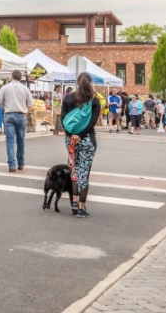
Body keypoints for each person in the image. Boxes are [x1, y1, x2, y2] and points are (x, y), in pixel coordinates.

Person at [62, 72, 102, 219]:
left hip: (70, 140)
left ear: (77, 82)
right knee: (84, 172)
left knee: (74, 170)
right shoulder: (95, 100)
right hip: (87, 140)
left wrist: (71, 135)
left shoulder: (69, 98)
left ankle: (73, 201)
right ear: (90, 82)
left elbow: (63, 120)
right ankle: (81, 207)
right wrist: (81, 135)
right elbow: (92, 122)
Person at [0, 70, 33, 172]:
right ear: (20, 78)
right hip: (21, 115)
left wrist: (6, 105)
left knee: (10, 141)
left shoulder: (5, 87)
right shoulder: (25, 89)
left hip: (9, 114)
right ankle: (21, 163)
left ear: (11, 77)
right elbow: (30, 104)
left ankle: (12, 164)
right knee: (21, 140)